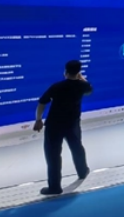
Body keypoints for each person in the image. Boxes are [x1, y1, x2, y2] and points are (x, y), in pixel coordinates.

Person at [33, 60, 93, 195]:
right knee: (77, 148)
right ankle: (83, 171)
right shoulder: (83, 86)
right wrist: (81, 78)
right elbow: (89, 90)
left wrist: (38, 120)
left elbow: (42, 103)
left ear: (65, 71)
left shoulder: (57, 87)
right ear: (79, 72)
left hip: (54, 125)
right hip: (72, 124)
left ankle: (54, 187)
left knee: (53, 155)